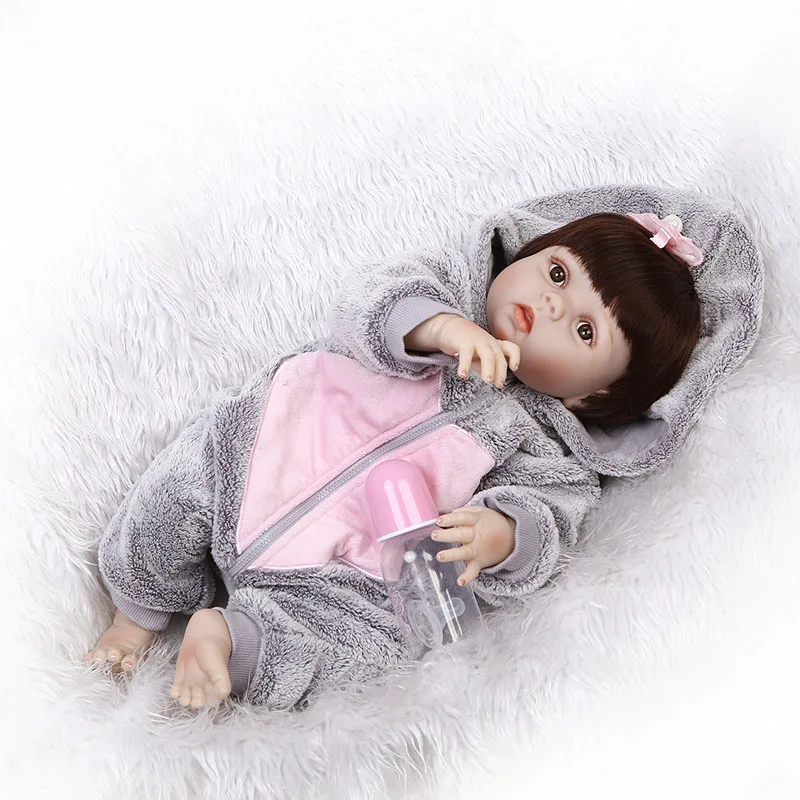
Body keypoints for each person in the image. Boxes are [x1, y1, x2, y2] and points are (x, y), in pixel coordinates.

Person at [82, 184, 764, 711]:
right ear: (530, 249)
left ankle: (232, 643)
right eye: (558, 274)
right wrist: (437, 330)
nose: (554, 305)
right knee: (185, 485)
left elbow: (547, 523)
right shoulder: (446, 296)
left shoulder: (551, 452)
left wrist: (500, 534)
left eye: (585, 332)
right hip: (267, 450)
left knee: (370, 645)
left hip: (349, 568)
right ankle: (135, 614)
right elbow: (368, 303)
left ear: (593, 398)